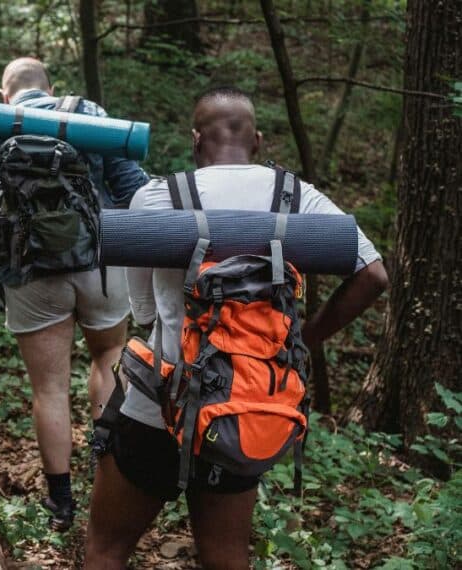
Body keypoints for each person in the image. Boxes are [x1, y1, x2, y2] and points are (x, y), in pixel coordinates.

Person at [84, 87, 389, 568]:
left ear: (194, 139)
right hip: (245, 406)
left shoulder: (158, 196)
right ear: (259, 140)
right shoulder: (295, 196)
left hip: (158, 406)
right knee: (225, 554)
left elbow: (143, 310)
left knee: (107, 546)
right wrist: (304, 342)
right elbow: (374, 274)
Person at [0, 57, 149, 529]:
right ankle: (109, 474)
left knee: (49, 388)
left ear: (3, 97)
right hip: (99, 265)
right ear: (52, 88)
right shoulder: (90, 118)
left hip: (29, 273)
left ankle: (61, 503)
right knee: (108, 357)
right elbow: (134, 190)